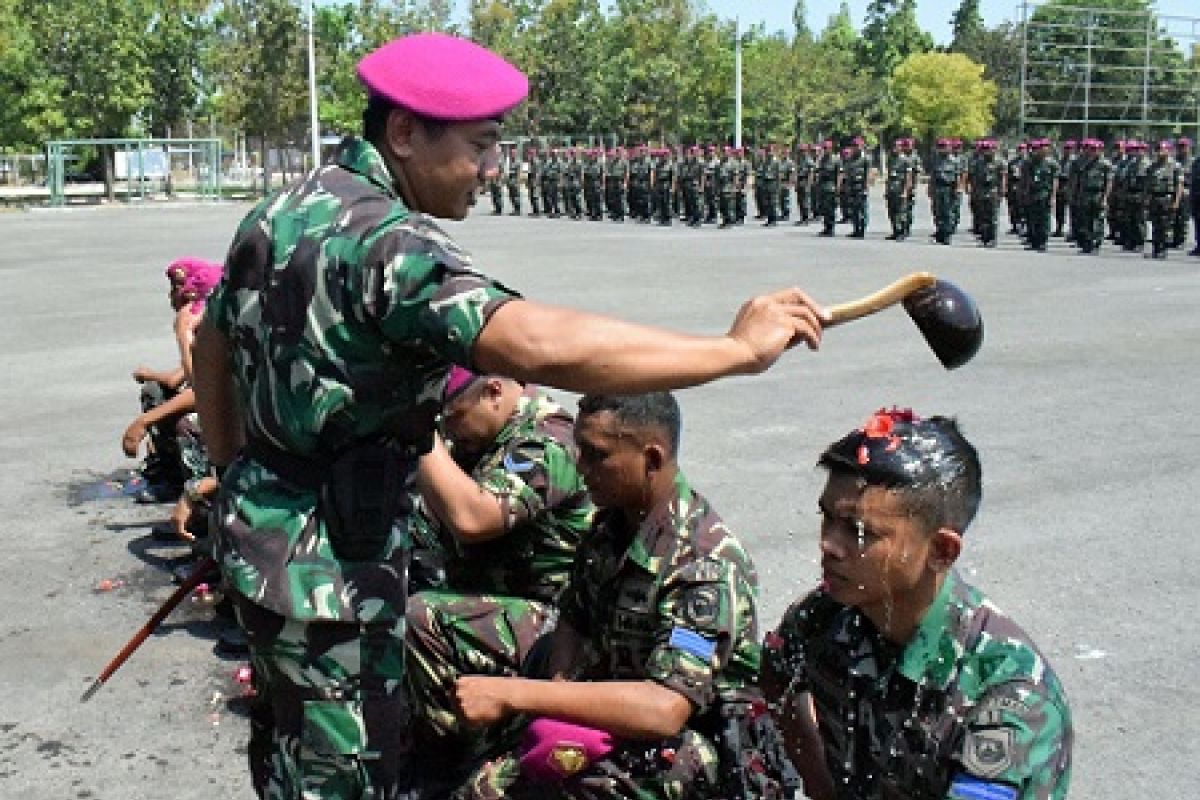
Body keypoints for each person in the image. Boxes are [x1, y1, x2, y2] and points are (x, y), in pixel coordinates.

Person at [193, 31, 828, 800]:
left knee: (291, 753)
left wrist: (234, 469)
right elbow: (531, 340)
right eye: (482, 146)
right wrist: (730, 351)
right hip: (333, 573)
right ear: (403, 133)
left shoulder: (279, 211)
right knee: (347, 775)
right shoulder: (390, 241)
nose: (494, 169)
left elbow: (214, 342)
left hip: (264, 550)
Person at [449, 392, 787, 800]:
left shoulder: (703, 567)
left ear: (652, 460)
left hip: (691, 742)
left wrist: (520, 696)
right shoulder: (613, 522)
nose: (581, 467)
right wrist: (557, 696)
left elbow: (666, 708)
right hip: (615, 701)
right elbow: (575, 616)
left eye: (597, 455)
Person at [761, 408, 1073, 800]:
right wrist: (820, 783)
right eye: (828, 520)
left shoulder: (1007, 696)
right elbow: (776, 672)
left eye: (859, 532)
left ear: (941, 550)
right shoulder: (826, 617)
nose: (829, 545)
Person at [405, 367, 593, 785]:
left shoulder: (546, 442)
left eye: (451, 416)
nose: (448, 432)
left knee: (420, 617)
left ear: (493, 393)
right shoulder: (486, 435)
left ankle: (449, 761)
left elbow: (475, 517)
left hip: (558, 628)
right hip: (500, 601)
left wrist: (418, 433)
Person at [124, 256, 223, 503]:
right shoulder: (205, 319)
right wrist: (151, 374)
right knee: (154, 391)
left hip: (233, 418)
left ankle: (202, 504)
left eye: (176, 288)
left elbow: (202, 391)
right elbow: (177, 378)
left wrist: (145, 421)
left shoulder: (203, 324)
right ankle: (171, 477)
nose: (171, 295)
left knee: (186, 423)